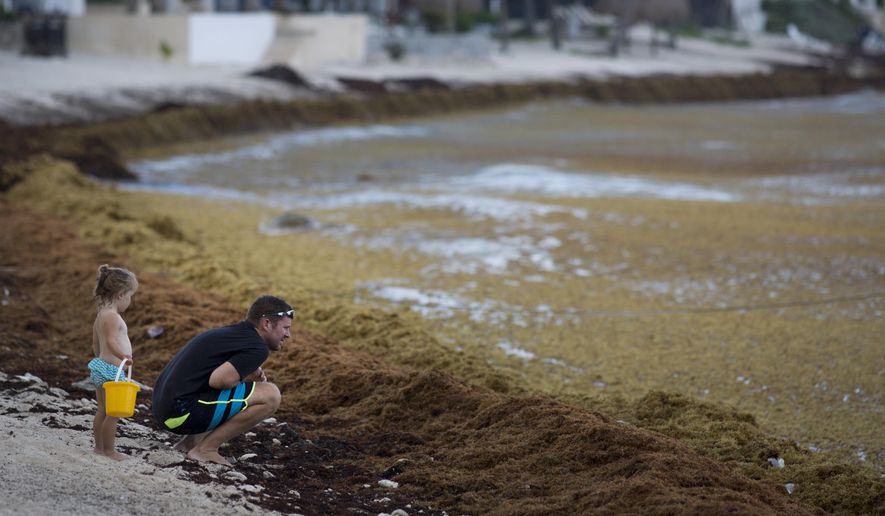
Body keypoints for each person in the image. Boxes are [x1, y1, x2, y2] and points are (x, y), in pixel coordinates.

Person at [151, 295, 290, 466]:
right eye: (285, 328)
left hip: (164, 409)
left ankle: (188, 444)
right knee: (270, 395)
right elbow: (219, 381)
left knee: (242, 390)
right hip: (180, 414)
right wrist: (245, 379)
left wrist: (246, 374)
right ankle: (205, 449)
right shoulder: (257, 348)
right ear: (267, 323)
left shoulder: (232, 334)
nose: (288, 335)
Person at [89, 264, 139, 461]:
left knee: (102, 410)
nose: (130, 300)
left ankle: (99, 448)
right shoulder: (113, 317)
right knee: (113, 412)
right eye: (130, 295)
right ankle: (109, 450)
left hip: (101, 366)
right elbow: (110, 340)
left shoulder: (101, 315)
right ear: (120, 294)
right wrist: (124, 357)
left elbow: (96, 342)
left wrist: (101, 358)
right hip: (112, 370)